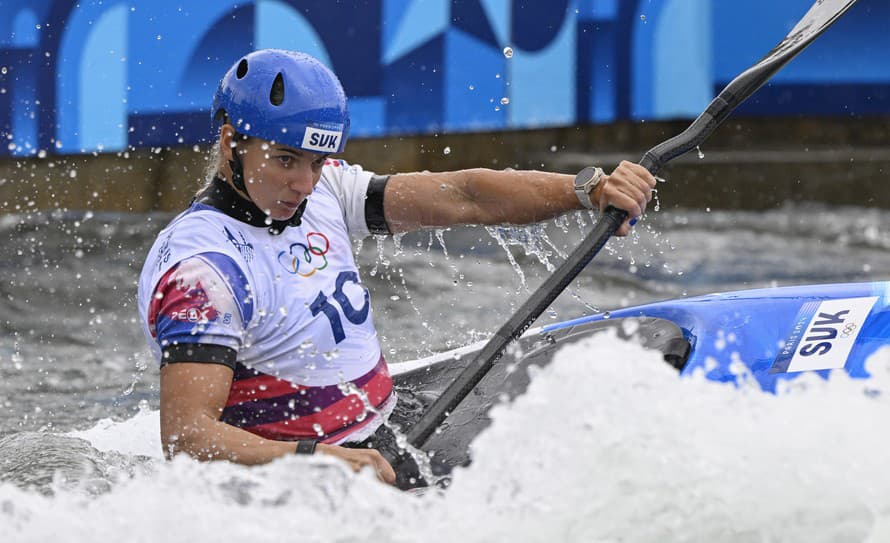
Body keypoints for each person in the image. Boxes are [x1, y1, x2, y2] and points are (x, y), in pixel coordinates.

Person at [137, 49, 656, 488]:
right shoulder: (203, 273)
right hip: (304, 486)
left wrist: (585, 189)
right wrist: (317, 463)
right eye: (286, 160)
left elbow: (466, 197)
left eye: (317, 163)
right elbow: (186, 438)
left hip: (388, 430)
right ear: (232, 141)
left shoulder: (327, 193)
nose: (305, 184)